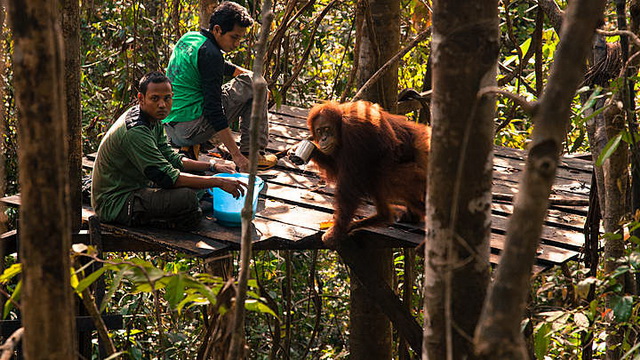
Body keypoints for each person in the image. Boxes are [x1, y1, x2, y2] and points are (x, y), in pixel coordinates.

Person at [91, 71, 247, 230]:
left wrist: (212, 167)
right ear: (141, 99)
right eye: (154, 98)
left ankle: (187, 208)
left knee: (200, 177)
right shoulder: (136, 131)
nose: (162, 104)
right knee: (187, 198)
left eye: (167, 98)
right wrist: (219, 182)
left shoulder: (153, 118)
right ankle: (170, 218)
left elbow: (171, 157)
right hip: (116, 203)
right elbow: (167, 177)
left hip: (139, 184)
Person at [163, 1, 277, 172]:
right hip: (190, 130)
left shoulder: (191, 39)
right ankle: (252, 154)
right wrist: (237, 155)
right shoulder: (212, 55)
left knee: (253, 80)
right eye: (234, 37)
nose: (237, 43)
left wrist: (247, 73)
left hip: (171, 128)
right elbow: (213, 110)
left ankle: (191, 148)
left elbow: (215, 65)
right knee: (255, 85)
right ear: (217, 29)